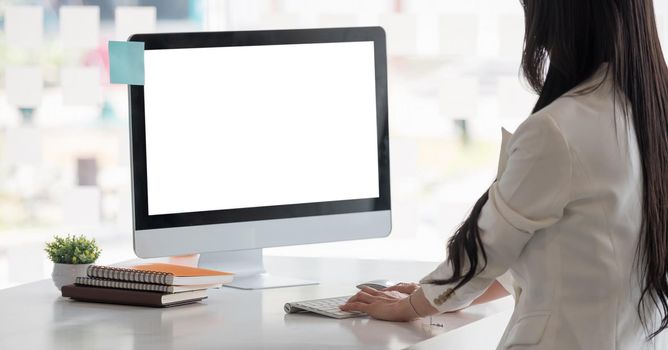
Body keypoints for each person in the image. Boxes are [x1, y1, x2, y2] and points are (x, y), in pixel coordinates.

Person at [340, 0, 668, 349]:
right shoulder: (653, 110)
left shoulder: (557, 129)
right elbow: (575, 250)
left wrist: (412, 306)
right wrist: (437, 295)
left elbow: (488, 247)